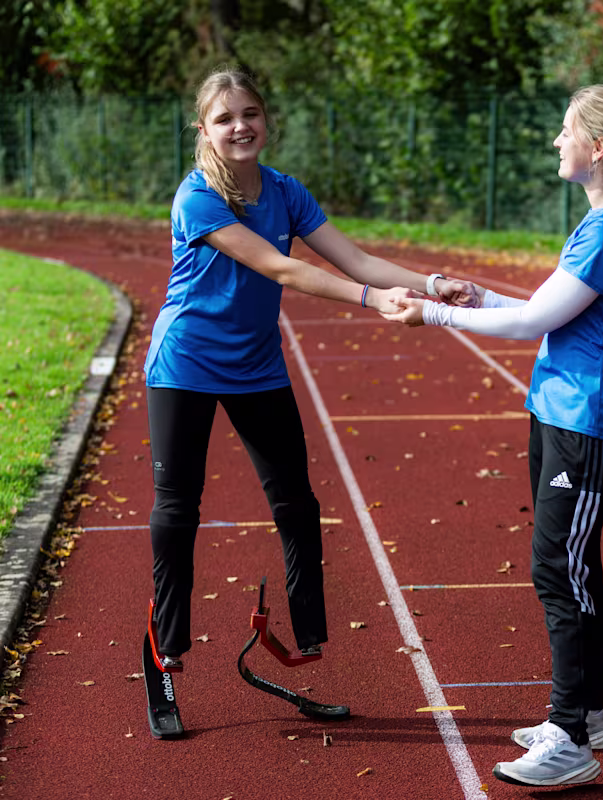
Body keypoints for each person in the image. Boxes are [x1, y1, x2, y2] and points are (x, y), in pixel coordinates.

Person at [143, 67, 476, 671]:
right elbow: (281, 269)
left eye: (249, 114)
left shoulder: (286, 191)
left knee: (295, 499)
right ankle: (168, 646)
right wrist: (371, 302)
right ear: (203, 130)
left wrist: (432, 284)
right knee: (177, 506)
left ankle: (309, 632)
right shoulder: (198, 197)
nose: (239, 126)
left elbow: (355, 258)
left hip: (256, 365)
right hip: (186, 361)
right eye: (224, 119)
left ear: (266, 120)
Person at [383, 84, 603, 787]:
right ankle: (586, 713)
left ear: (598, 147)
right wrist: (477, 297)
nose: (554, 140)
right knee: (574, 567)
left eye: (565, 130)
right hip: (561, 412)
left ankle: (570, 738)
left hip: (586, 419)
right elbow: (547, 310)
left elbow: (533, 324)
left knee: (557, 570)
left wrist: (438, 318)